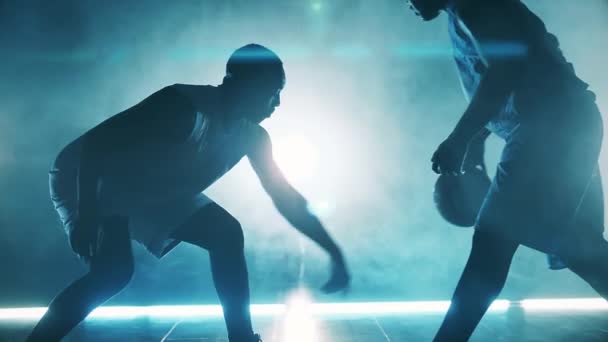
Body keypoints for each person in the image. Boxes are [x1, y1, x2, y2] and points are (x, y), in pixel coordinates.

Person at [27, 44, 350, 342]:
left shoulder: (254, 137)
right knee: (112, 274)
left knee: (225, 233)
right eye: (273, 92)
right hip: (89, 174)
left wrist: (333, 250)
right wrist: (86, 214)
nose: (277, 103)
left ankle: (241, 338)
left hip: (152, 185)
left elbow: (286, 199)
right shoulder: (181, 106)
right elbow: (98, 147)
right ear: (244, 84)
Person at [407, 0, 606, 340]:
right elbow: (517, 69)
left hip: (551, 126)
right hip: (572, 122)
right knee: (580, 247)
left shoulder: (473, 6)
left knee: (492, 244)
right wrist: (477, 139)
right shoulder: (468, 9)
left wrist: (460, 139)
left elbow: (505, 69)